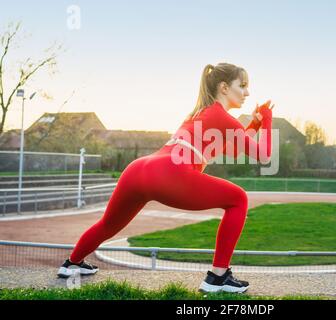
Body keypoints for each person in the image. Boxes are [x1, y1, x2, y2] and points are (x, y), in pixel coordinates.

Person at [57, 62, 274, 294]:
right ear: (223, 87)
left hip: (138, 170)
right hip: (170, 173)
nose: (247, 93)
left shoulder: (201, 113)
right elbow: (263, 154)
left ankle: (72, 264)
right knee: (238, 199)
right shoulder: (220, 116)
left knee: (109, 224)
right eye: (242, 86)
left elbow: (232, 149)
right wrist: (268, 120)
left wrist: (255, 124)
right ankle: (217, 277)